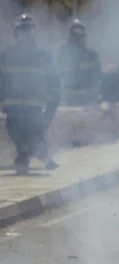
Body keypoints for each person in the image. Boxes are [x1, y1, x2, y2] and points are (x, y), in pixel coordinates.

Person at [0, 15, 61, 174]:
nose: (25, 34)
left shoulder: (44, 57)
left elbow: (54, 85)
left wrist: (49, 111)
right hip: (12, 112)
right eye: (22, 30)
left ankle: (36, 156)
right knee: (20, 140)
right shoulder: (7, 56)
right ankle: (32, 157)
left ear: (34, 32)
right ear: (16, 33)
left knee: (33, 139)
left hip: (34, 111)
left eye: (29, 30)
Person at [55, 19, 102, 106]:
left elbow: (98, 77)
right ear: (70, 36)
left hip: (87, 102)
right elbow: (56, 78)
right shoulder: (61, 54)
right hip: (67, 101)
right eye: (75, 35)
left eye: (80, 35)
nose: (77, 38)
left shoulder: (91, 56)